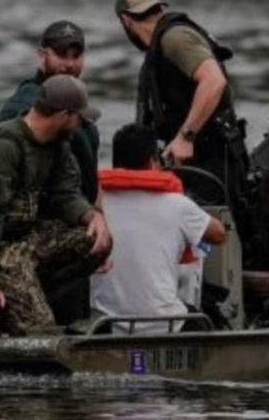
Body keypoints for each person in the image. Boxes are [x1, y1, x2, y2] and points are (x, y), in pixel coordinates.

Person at [0, 75, 112, 336]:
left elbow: (65, 195)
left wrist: (92, 216)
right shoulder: (4, 146)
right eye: (80, 118)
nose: (81, 126)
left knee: (95, 241)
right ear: (65, 115)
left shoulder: (58, 145)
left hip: (25, 240)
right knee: (41, 332)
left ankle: (25, 294)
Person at [0, 20, 102, 325]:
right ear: (42, 55)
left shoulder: (76, 105)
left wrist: (97, 218)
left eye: (76, 55)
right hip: (36, 239)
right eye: (61, 55)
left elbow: (88, 175)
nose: (69, 64)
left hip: (71, 234)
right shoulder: (27, 110)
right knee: (49, 327)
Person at [113, 0, 252, 213]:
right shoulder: (161, 44)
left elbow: (214, 81)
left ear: (126, 20)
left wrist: (186, 136)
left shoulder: (174, 38)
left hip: (214, 162)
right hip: (197, 164)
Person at [91, 123, 227, 335]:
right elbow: (219, 234)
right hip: (167, 323)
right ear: (151, 162)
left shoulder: (95, 206)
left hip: (105, 325)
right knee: (211, 317)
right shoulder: (177, 204)